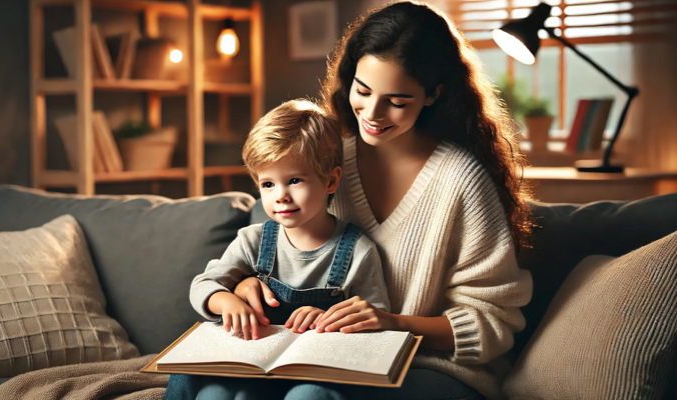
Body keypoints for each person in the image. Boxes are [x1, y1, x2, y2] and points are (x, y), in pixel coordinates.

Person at [229, 2, 535, 399]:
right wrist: (245, 286)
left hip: (433, 370)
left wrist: (392, 323)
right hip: (331, 359)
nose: (371, 113)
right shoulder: (326, 162)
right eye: (363, 90)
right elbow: (280, 251)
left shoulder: (462, 181)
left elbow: (493, 322)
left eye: (397, 100)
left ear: (432, 95)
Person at [164, 99, 391, 400]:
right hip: (256, 369)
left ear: (331, 180)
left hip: (318, 372)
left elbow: (377, 322)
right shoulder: (253, 241)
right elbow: (203, 284)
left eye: (294, 180)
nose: (281, 196)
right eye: (268, 184)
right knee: (213, 393)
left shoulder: (358, 251)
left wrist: (330, 320)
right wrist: (224, 301)